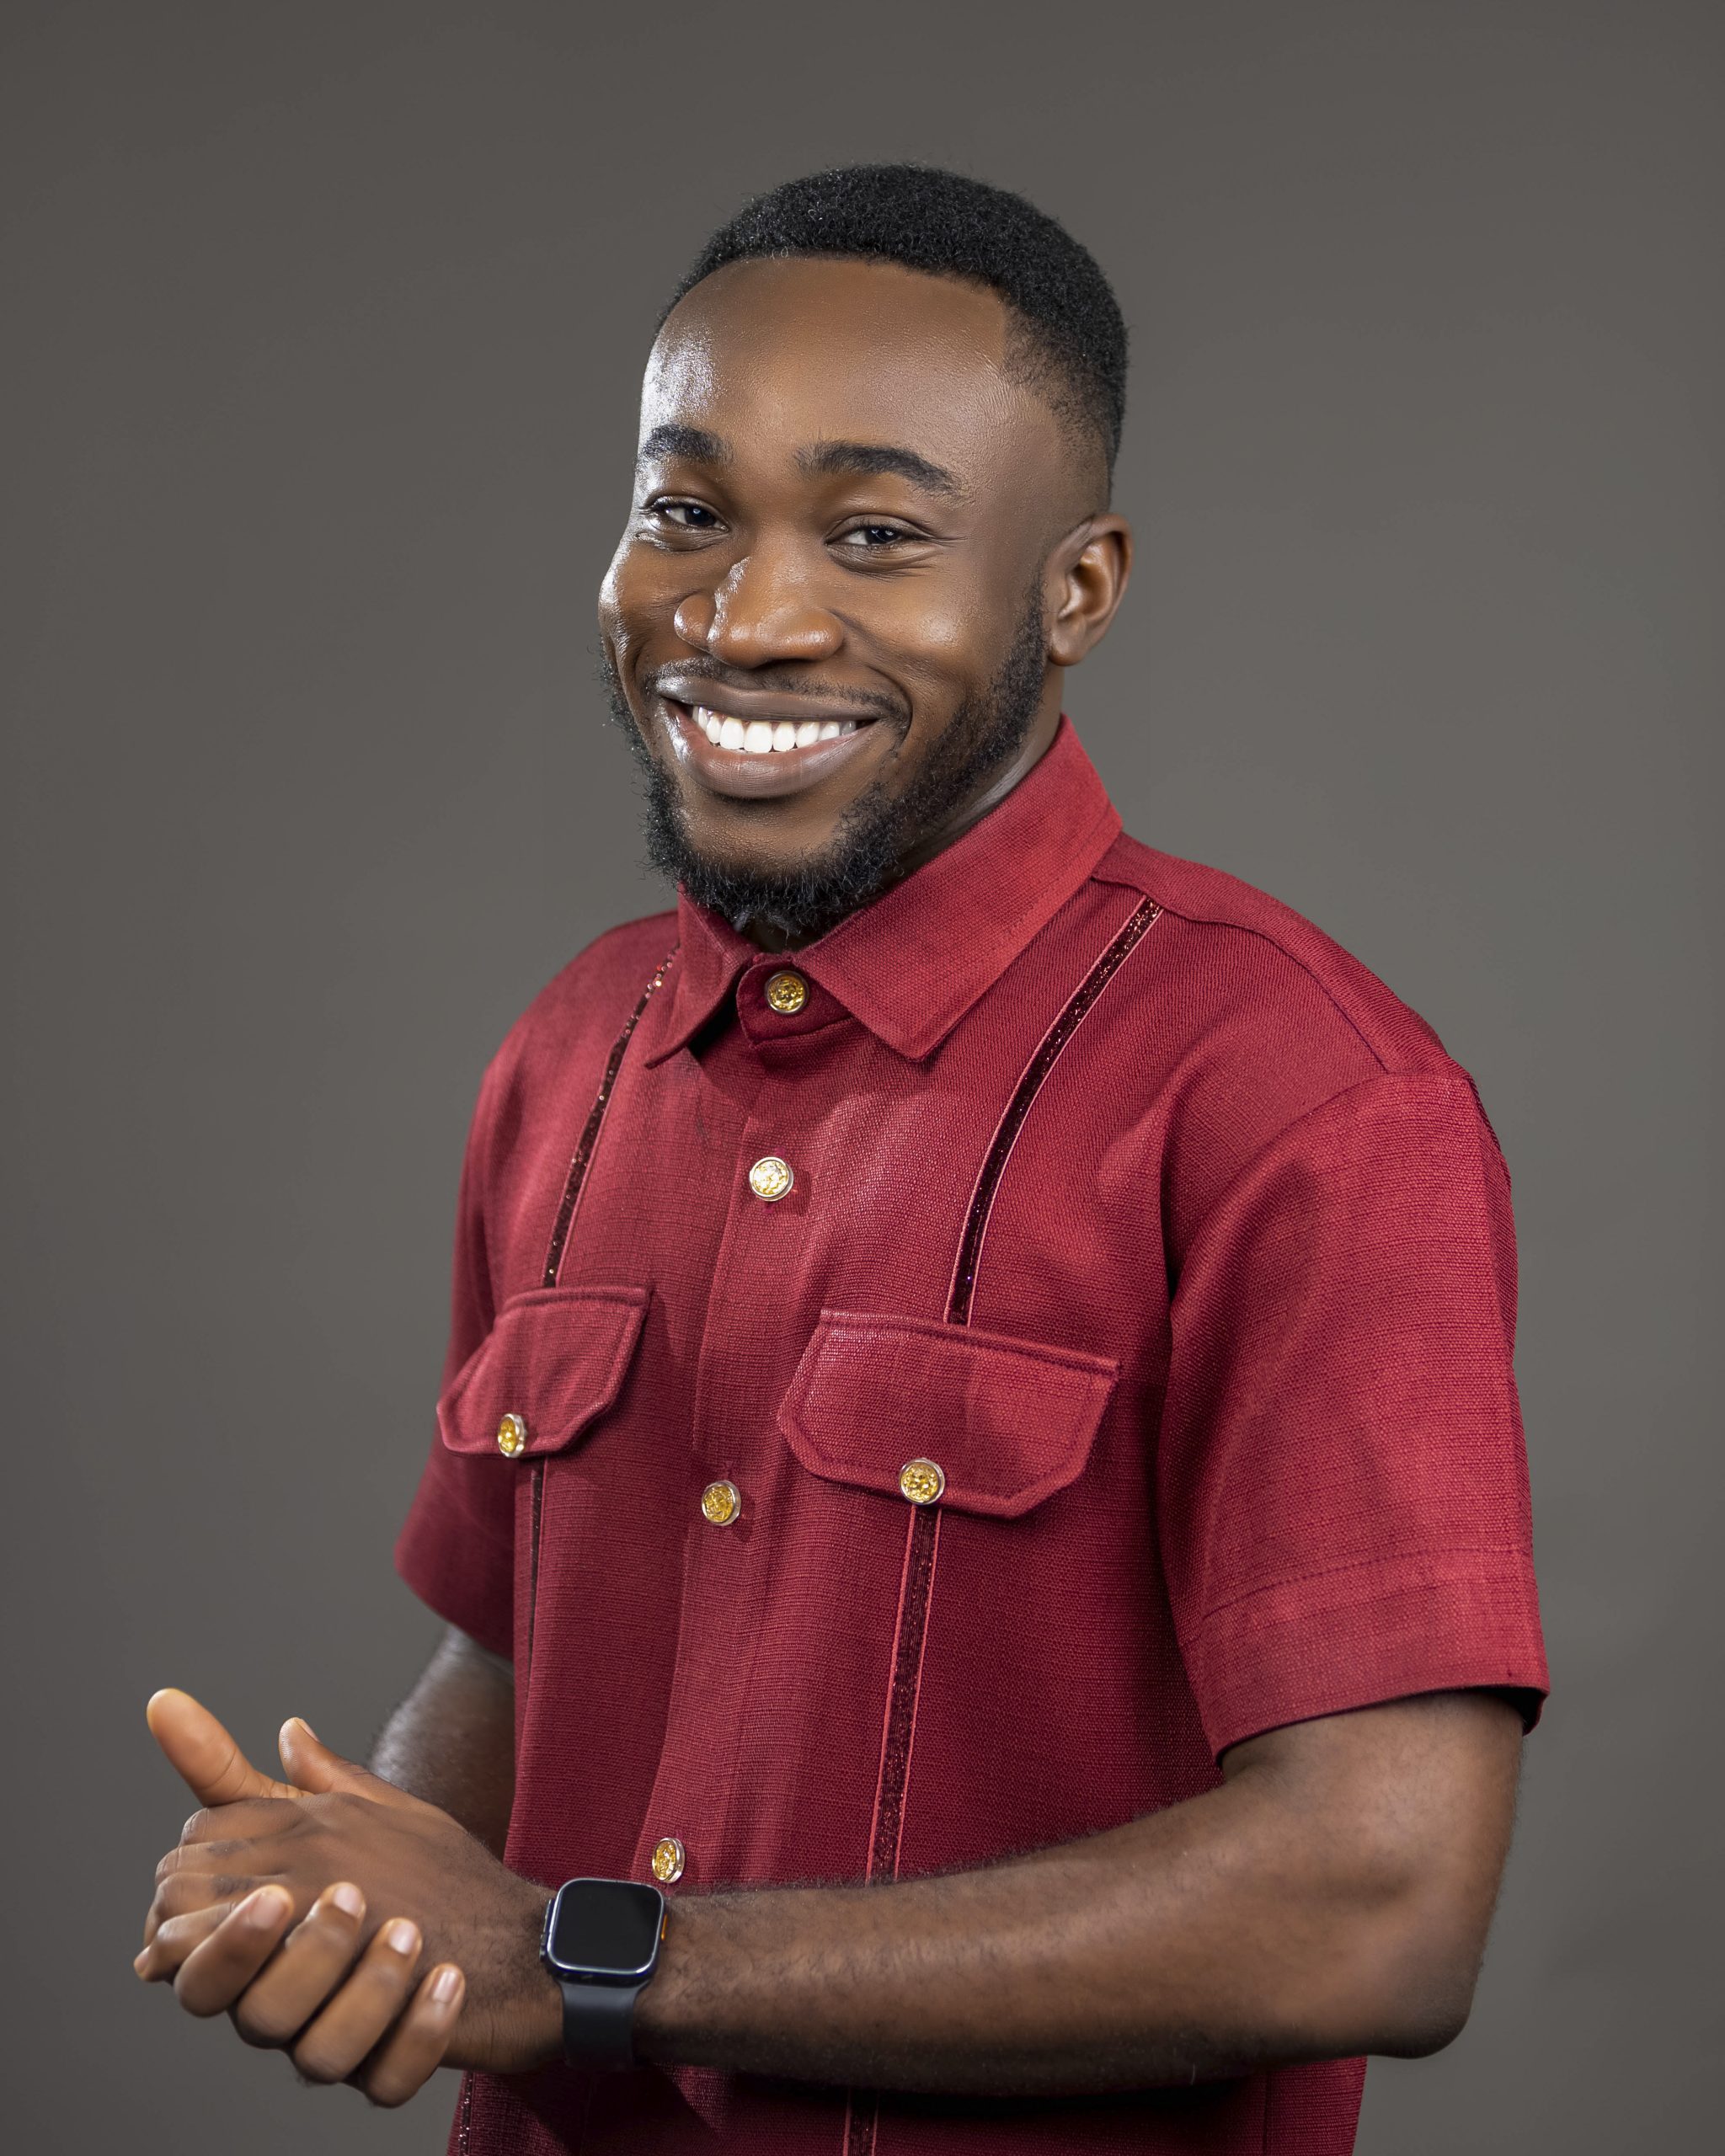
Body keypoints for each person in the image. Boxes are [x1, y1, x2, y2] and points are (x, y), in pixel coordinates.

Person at [136, 163, 1549, 2156]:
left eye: (874, 534)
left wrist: (588, 1958)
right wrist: (344, 1882)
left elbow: (1376, 1905)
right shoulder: (567, 1053)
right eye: (685, 511)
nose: (746, 618)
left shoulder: (1298, 1097)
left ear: (1074, 590)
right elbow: (507, 1664)